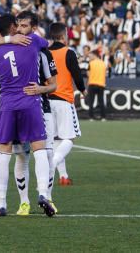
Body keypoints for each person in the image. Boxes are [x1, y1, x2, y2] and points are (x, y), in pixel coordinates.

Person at [0, 14, 57, 217]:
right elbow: (47, 43)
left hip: (7, 104)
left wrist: (5, 39)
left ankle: (1, 204)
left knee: (4, 151)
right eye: (17, 24)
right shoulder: (33, 41)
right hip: (30, 101)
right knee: (39, 147)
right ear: (13, 27)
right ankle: (43, 193)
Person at [46, 22, 85, 186]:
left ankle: (63, 176)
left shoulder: (45, 52)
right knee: (69, 138)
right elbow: (76, 74)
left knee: (56, 139)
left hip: (47, 100)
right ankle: (52, 165)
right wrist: (83, 90)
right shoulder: (68, 52)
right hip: (63, 100)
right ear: (63, 36)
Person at [86, 48, 108, 119]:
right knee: (101, 101)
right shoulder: (103, 63)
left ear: (94, 55)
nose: (90, 57)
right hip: (101, 84)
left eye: (91, 55)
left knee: (91, 102)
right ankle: (103, 117)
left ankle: (91, 117)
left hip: (92, 84)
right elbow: (105, 75)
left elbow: (88, 73)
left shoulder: (91, 63)